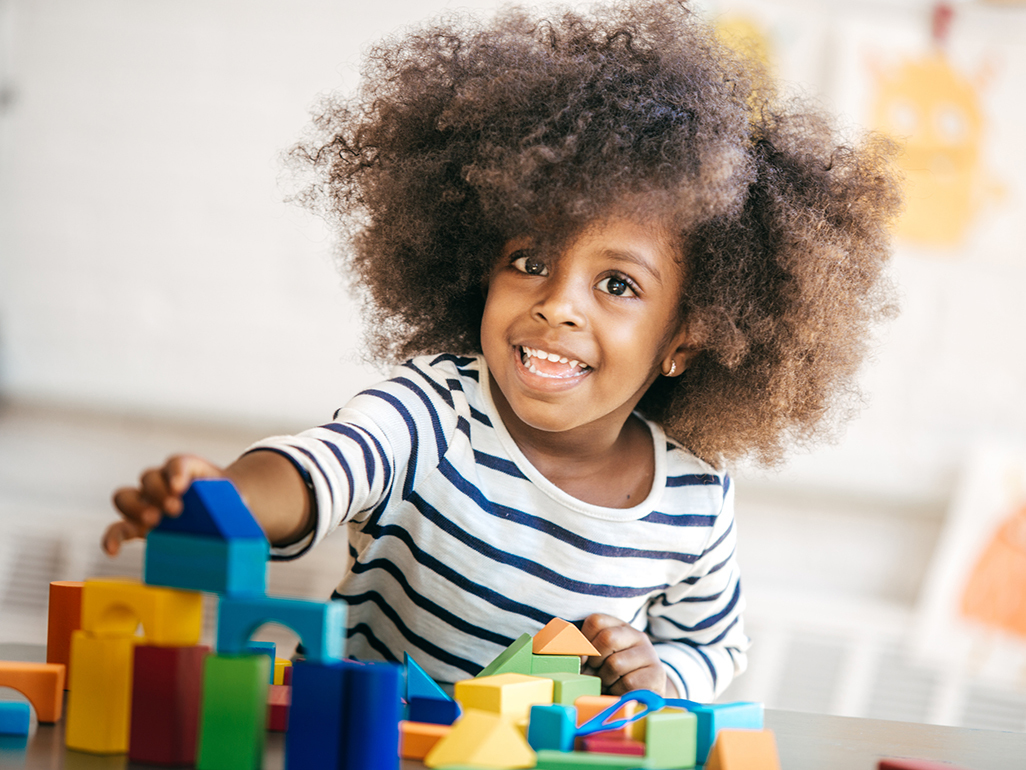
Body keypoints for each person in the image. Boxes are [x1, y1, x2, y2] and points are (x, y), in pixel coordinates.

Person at [103, 1, 900, 702]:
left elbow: (715, 644)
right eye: (529, 261)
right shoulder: (430, 410)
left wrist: (660, 675)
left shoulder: (694, 499)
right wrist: (223, 500)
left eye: (618, 285)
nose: (556, 302)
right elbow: (319, 471)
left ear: (685, 341)